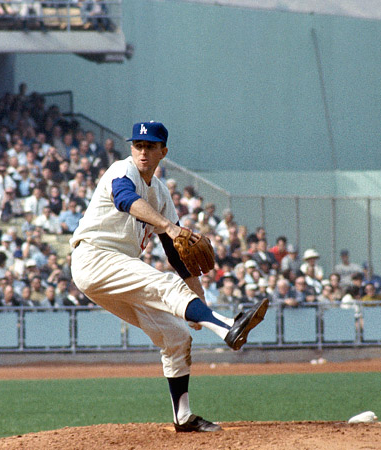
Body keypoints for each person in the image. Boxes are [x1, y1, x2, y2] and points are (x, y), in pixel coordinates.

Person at [69, 121, 268, 433]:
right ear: (131, 149)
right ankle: (227, 326)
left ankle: (183, 417)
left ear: (164, 151)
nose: (143, 152)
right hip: (94, 256)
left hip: (114, 268)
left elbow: (177, 256)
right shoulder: (123, 172)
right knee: (164, 285)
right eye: (138, 145)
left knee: (176, 334)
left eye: (150, 146)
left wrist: (198, 303)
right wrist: (170, 227)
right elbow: (125, 199)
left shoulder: (160, 193)